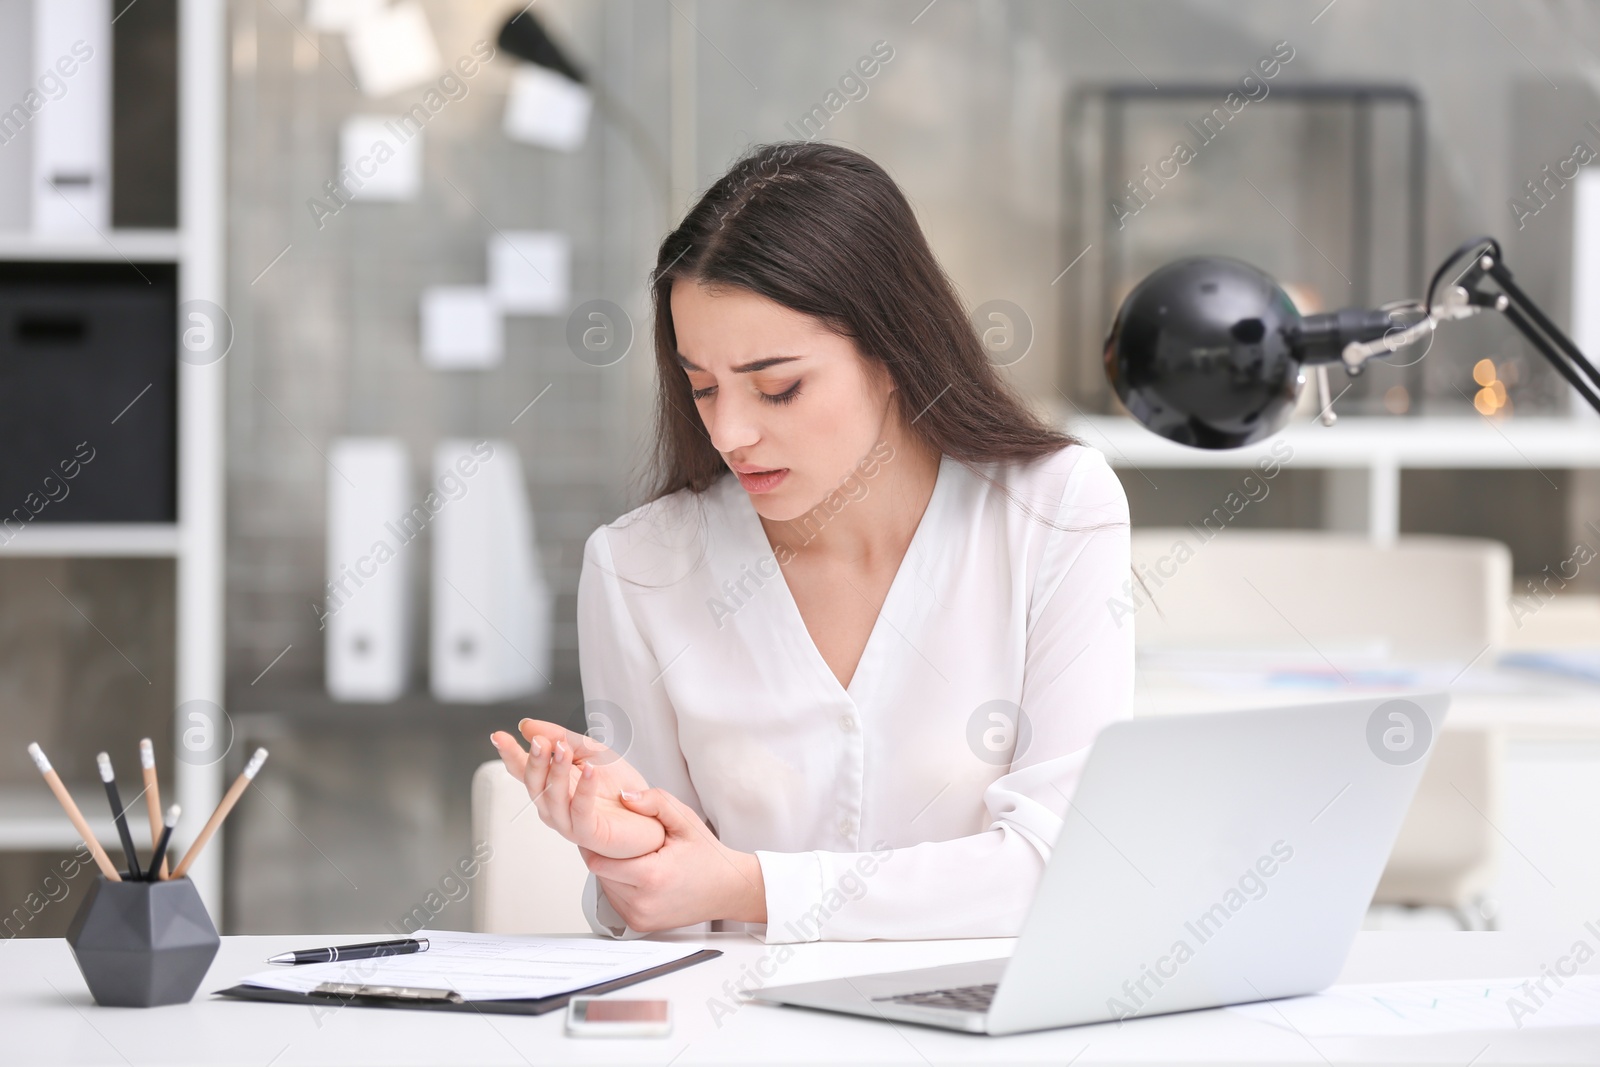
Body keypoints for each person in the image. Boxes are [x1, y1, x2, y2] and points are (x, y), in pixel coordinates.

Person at [489, 141, 1132, 944]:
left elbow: (1062, 866)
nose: (730, 431)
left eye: (778, 386)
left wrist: (749, 884)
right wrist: (627, 858)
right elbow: (664, 919)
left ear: (895, 350)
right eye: (702, 387)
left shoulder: (1056, 510)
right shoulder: (640, 567)